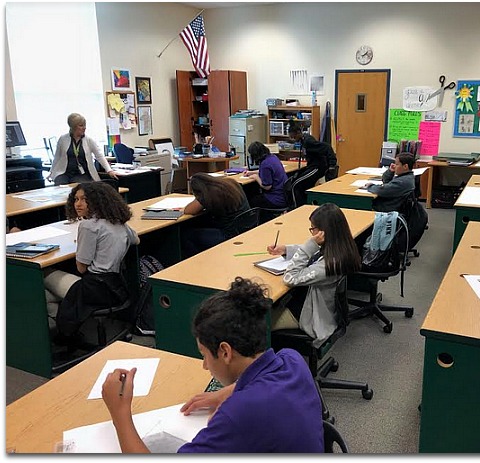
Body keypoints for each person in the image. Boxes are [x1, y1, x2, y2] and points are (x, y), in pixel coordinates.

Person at [101, 277, 324, 453]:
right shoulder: (292, 360)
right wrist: (227, 392)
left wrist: (120, 413)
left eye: (205, 355)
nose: (205, 366)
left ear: (225, 352)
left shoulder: (238, 414)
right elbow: (261, 382)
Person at [44, 182, 138, 340]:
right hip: (116, 286)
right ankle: (68, 328)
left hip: (94, 289)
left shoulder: (88, 226)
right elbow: (136, 240)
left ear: (97, 201)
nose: (78, 204)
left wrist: (84, 245)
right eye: (76, 199)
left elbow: (81, 268)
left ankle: (65, 332)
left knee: (43, 275)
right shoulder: (118, 222)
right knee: (49, 295)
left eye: (84, 199)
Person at [266, 203, 361, 347]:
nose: (312, 233)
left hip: (308, 314)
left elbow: (290, 278)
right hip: (305, 299)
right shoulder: (339, 247)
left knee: (258, 324)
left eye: (313, 229)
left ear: (323, 232)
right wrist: (286, 250)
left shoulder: (329, 265)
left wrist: (310, 244)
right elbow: (315, 253)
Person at [182, 173, 251, 257]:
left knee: (187, 235)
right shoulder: (232, 183)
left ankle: (198, 260)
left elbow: (188, 210)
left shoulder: (210, 194)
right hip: (246, 228)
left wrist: (199, 197)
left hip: (229, 235)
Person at [49, 113, 118, 185]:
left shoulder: (89, 140)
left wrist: (109, 170)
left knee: (80, 186)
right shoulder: (63, 139)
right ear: (73, 127)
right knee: (59, 184)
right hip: (65, 172)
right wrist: (51, 172)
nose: (84, 128)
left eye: (85, 125)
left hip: (82, 174)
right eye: (81, 125)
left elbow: (99, 156)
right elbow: (57, 156)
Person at [288, 121, 337, 204]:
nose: (293, 139)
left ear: (299, 133)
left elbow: (327, 147)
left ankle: (297, 206)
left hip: (317, 168)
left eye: (294, 137)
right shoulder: (303, 140)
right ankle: (305, 203)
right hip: (311, 166)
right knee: (300, 183)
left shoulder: (308, 141)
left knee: (296, 184)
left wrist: (332, 164)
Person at [245, 141, 288, 209]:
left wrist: (256, 177)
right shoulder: (273, 157)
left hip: (275, 199)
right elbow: (267, 172)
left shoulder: (265, 164)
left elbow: (267, 187)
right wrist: (251, 172)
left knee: (250, 200)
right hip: (283, 196)